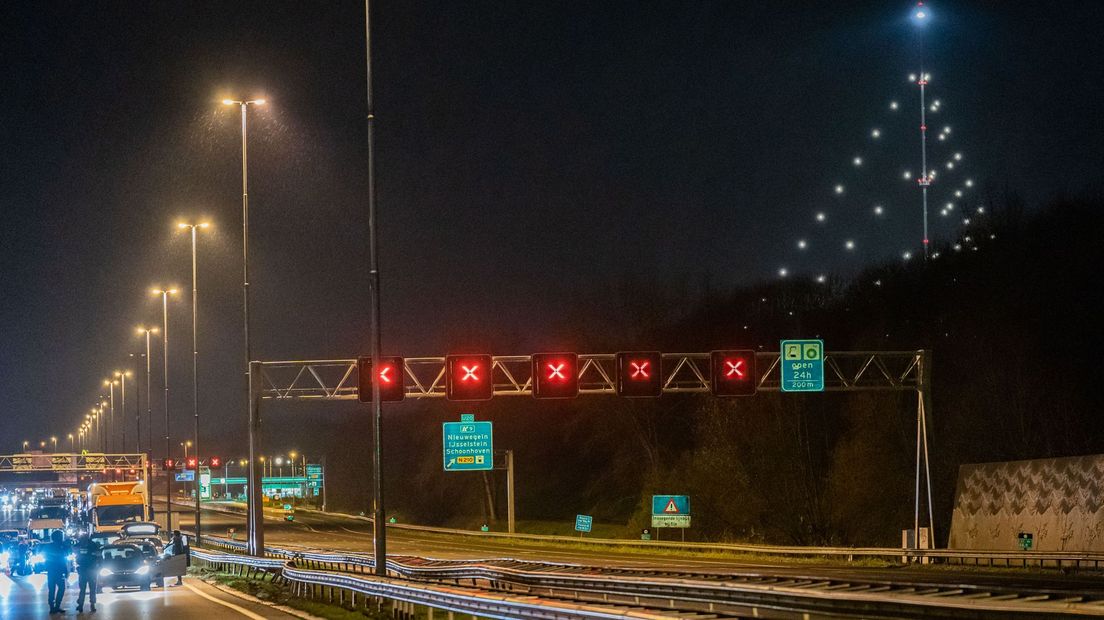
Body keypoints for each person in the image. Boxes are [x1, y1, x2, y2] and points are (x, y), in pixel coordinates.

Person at [43, 530, 70, 614]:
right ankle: (55, 606)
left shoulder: (51, 546)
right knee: (60, 588)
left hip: (53, 570)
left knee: (52, 589)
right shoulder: (59, 546)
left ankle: (53, 607)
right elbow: (64, 556)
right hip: (57, 570)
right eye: (61, 536)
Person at [74, 532, 100, 613]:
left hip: (83, 569)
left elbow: (74, 551)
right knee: (92, 588)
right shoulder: (93, 544)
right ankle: (91, 604)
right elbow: (98, 554)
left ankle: (81, 605)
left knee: (83, 589)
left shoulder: (79, 545)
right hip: (90, 569)